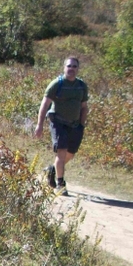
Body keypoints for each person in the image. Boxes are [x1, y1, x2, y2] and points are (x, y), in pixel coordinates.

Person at [34, 57, 89, 196]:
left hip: (75, 124)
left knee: (70, 154)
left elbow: (84, 107)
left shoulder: (81, 86)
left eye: (75, 66)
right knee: (62, 152)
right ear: (64, 67)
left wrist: (82, 125)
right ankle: (60, 183)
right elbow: (45, 104)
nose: (72, 69)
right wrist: (39, 125)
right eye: (69, 66)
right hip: (58, 121)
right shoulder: (56, 84)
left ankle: (52, 169)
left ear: (78, 69)